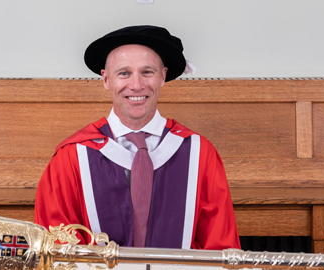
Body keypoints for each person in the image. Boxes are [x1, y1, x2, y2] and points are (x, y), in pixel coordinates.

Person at [35, 25, 240, 250]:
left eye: (147, 72)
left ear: (162, 77)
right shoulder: (71, 157)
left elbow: (221, 251)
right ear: (105, 80)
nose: (136, 85)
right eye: (124, 73)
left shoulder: (199, 154)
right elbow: (57, 252)